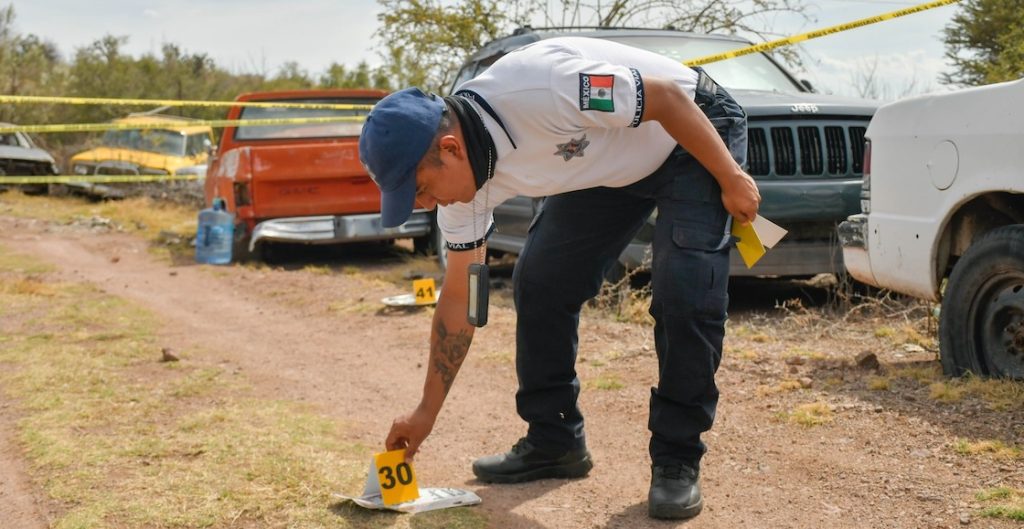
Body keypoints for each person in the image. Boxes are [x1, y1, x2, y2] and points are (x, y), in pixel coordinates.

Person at [359, 36, 759, 520]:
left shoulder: (544, 90)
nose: (424, 205)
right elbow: (461, 301)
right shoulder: (462, 192)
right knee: (541, 283)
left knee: (684, 292)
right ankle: (555, 440)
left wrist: (731, 177)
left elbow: (669, 100)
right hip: (605, 164)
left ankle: (677, 459)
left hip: (688, 131)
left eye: (421, 189)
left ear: (450, 148)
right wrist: (425, 412)